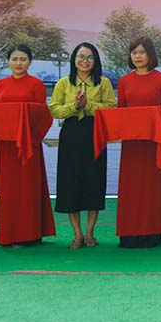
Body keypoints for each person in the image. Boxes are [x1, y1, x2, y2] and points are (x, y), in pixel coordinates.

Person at [115, 37, 161, 248]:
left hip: (155, 143)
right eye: (134, 52)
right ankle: (128, 232)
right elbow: (121, 112)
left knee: (151, 188)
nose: (138, 56)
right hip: (132, 145)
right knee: (130, 188)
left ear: (150, 55)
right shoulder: (124, 81)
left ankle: (152, 231)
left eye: (142, 52)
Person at [49, 42, 116, 249]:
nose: (84, 61)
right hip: (71, 135)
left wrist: (88, 105)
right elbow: (55, 110)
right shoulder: (63, 83)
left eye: (89, 57)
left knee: (93, 182)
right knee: (71, 183)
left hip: (94, 135)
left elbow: (111, 108)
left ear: (95, 61)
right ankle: (76, 234)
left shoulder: (103, 82)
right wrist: (74, 106)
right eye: (80, 57)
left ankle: (90, 233)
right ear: (74, 60)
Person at [0, 44, 55, 247]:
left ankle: (29, 234)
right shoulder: (0, 85)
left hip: (28, 145)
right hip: (6, 145)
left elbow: (42, 114)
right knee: (8, 188)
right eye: (14, 59)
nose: (18, 63)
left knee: (28, 187)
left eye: (23, 59)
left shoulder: (36, 84)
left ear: (30, 61)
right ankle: (8, 235)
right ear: (8, 61)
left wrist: (30, 135)